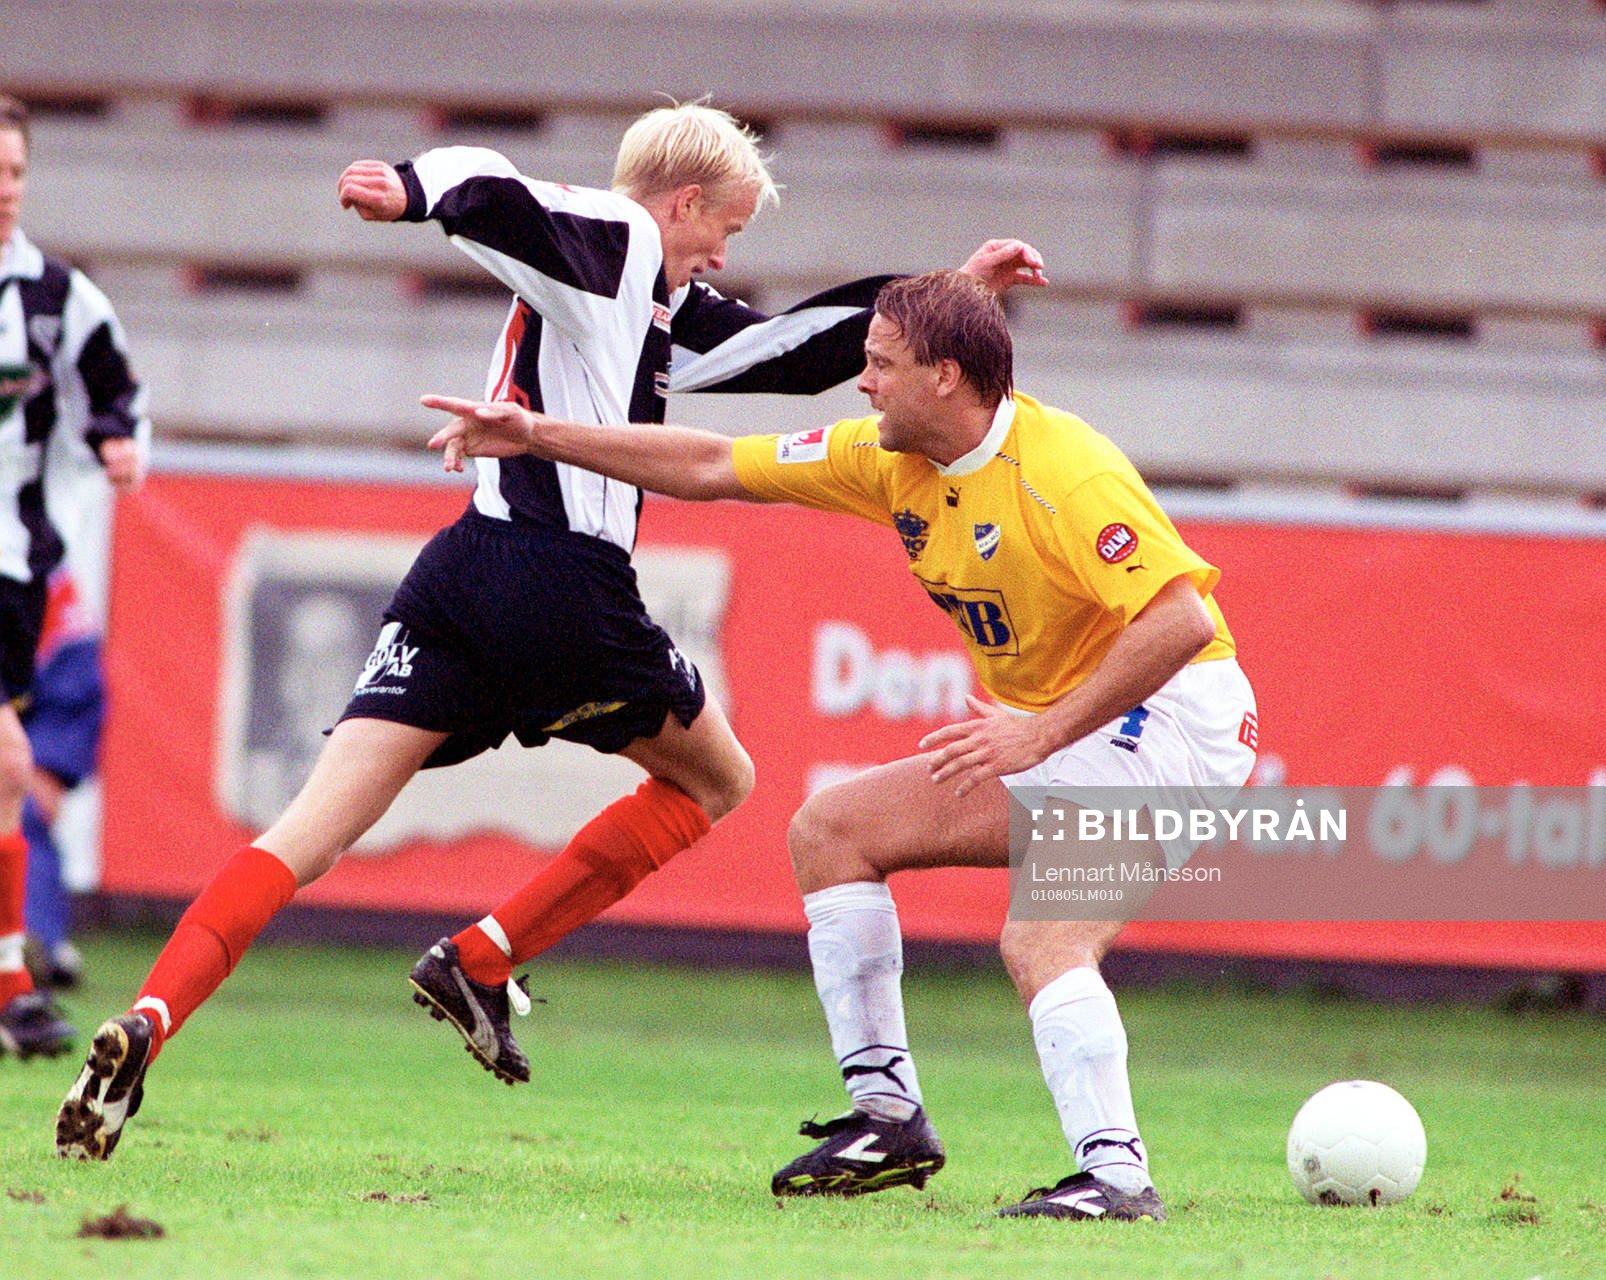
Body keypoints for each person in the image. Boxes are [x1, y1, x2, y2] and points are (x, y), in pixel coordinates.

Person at [56, 99, 1045, 1159]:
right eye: (727, 228)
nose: (722, 253)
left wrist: (952, 299)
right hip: (561, 580)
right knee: (719, 779)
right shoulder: (619, 240)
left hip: (461, 571)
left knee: (307, 831)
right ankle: (486, 954)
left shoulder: (648, 308)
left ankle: (148, 1020)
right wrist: (416, 189)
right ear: (683, 200)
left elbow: (782, 350)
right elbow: (511, 193)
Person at [416, 269, 1258, 1221]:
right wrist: (539, 437)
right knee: (831, 831)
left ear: (945, 377)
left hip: (1177, 727)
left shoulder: (1066, 470)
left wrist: (1044, 732)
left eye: (880, 364)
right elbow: (710, 465)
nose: (860, 382)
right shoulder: (886, 455)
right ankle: (887, 1118)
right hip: (1071, 729)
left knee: (1043, 937)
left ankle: (1118, 1178)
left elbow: (1181, 622)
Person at [0, 95, 146, 1060]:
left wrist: (120, 443)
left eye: (14, 172)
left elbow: (119, 394)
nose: (5, 190)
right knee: (8, 765)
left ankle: (13, 981)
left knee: (5, 775)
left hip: (11, 565)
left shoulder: (59, 299)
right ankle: (13, 981)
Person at [23, 568, 107, 991]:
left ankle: (35, 949)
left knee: (22, 808)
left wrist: (49, 765)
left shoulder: (39, 566)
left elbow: (75, 675)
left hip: (23, 733)